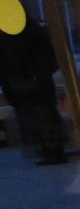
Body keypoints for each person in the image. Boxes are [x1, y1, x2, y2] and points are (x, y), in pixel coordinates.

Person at [0, 13, 68, 165]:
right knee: (44, 116)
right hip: (35, 82)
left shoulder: (15, 35)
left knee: (37, 116)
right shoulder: (32, 31)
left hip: (24, 81)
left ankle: (50, 150)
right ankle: (53, 150)